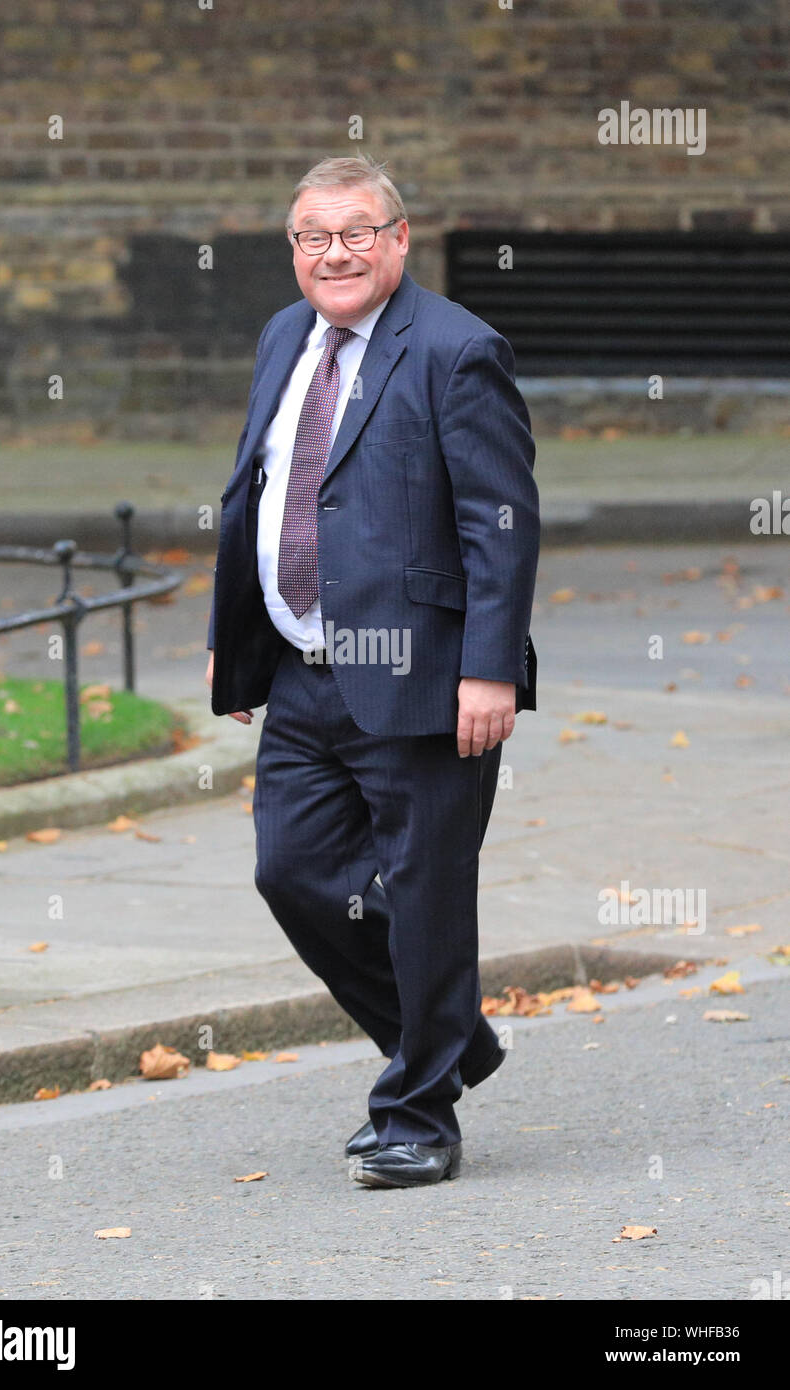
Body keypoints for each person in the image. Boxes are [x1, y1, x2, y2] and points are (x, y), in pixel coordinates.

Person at [205, 154, 539, 1188]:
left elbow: (500, 523)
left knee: (426, 891)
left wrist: (488, 669)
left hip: (426, 675)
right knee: (290, 870)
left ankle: (416, 1114)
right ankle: (449, 1034)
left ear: (399, 239)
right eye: (313, 234)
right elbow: (259, 491)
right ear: (293, 248)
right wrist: (239, 627)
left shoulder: (454, 350)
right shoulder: (281, 336)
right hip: (305, 671)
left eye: (356, 231)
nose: (334, 252)